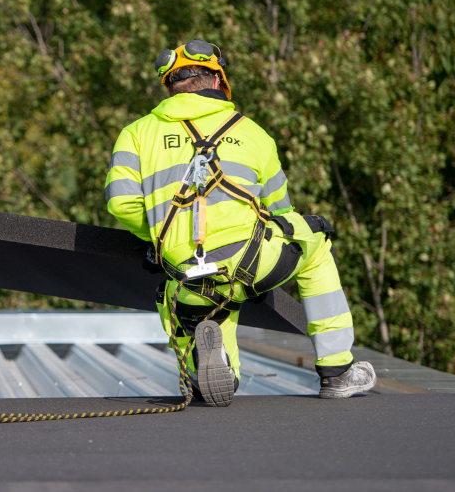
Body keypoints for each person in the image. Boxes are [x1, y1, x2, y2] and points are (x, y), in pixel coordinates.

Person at [104, 39, 375, 406]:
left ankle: (216, 373)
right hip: (252, 261)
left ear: (168, 86)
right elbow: (283, 212)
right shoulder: (253, 133)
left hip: (186, 271)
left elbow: (120, 204)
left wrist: (157, 236)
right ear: (217, 81)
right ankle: (337, 370)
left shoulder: (135, 134)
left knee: (194, 298)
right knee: (314, 243)